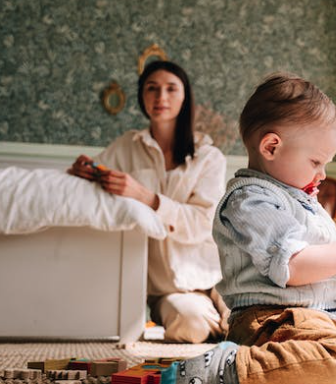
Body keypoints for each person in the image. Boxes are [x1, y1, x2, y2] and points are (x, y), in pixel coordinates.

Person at [160, 73, 336, 384]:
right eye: (316, 162)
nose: (322, 174)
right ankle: (228, 367)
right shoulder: (250, 200)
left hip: (322, 316)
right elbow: (294, 268)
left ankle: (309, 361)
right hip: (270, 321)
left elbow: (316, 273)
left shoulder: (302, 198)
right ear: (271, 147)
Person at [68, 60, 229, 344]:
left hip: (214, 275)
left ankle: (226, 319)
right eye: (151, 89)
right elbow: (97, 175)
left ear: (185, 96)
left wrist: (146, 197)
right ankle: (218, 323)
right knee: (190, 328)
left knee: (249, 324)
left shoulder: (209, 156)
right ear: (142, 97)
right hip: (168, 289)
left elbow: (203, 224)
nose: (160, 97)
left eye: (171, 89)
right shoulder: (127, 147)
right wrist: (82, 170)